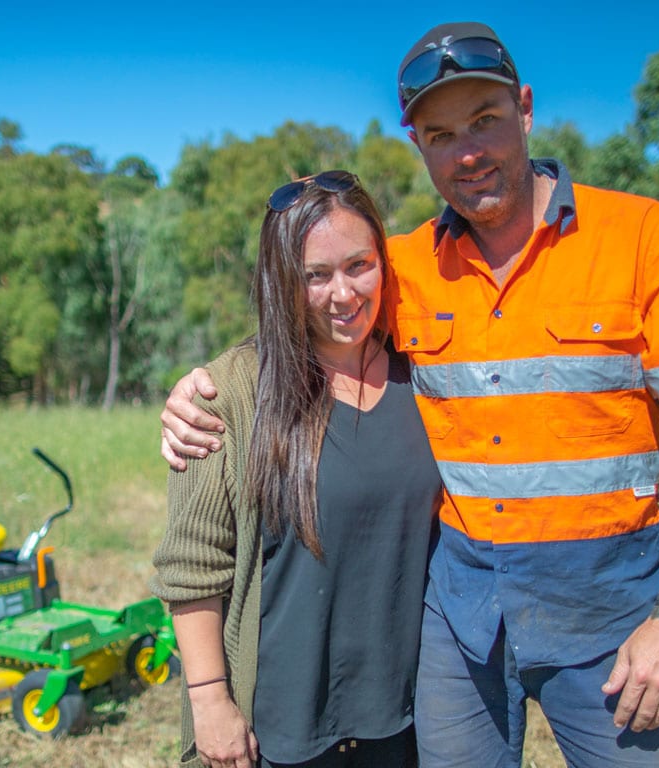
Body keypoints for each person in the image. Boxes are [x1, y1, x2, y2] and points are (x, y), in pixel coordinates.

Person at [159, 21, 659, 768]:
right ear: (419, 145)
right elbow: (312, 319)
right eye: (442, 134)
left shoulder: (644, 235)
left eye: (485, 121)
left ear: (526, 109)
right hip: (462, 628)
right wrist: (205, 386)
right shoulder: (405, 265)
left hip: (613, 619)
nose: (468, 151)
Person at [151, 171, 441, 768]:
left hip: (411, 717)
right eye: (316, 275)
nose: (343, 294)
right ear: (283, 279)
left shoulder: (428, 375)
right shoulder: (229, 391)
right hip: (278, 729)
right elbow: (193, 566)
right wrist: (210, 704)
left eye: (360, 265)